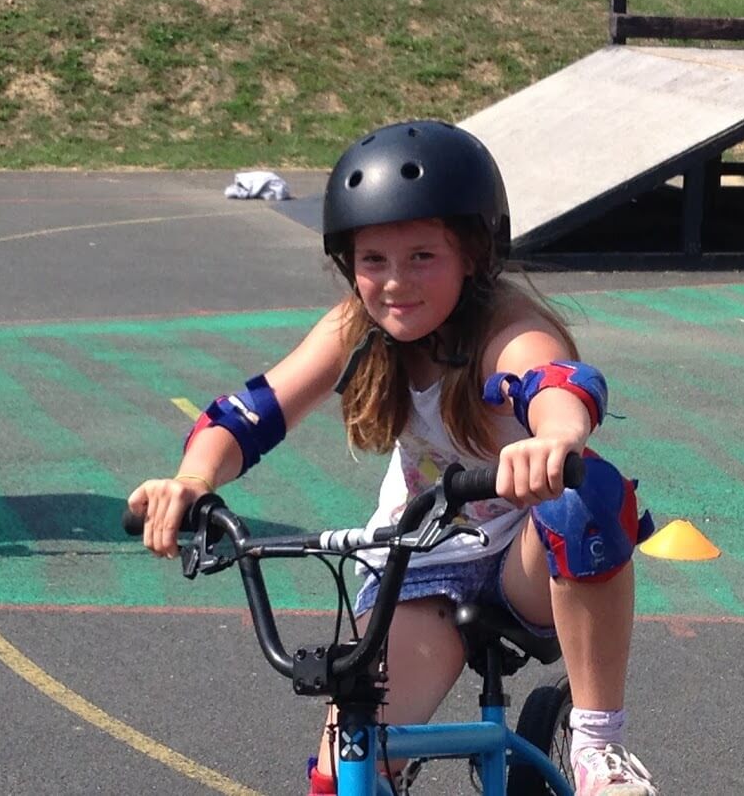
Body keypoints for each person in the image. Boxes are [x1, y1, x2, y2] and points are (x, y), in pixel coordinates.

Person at [126, 120, 657, 796]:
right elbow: (250, 413)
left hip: (521, 555)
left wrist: (555, 438)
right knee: (343, 772)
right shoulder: (358, 327)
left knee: (584, 497)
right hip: (418, 559)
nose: (396, 282)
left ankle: (599, 748)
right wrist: (192, 479)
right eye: (374, 260)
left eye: (422, 256)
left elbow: (555, 382)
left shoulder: (506, 327)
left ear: (472, 253)